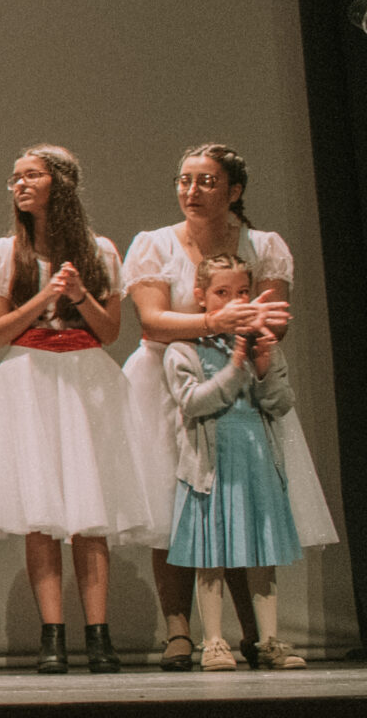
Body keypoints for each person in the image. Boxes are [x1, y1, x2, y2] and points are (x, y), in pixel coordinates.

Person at [119, 144, 333, 669]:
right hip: (169, 377)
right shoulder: (155, 245)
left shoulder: (263, 247)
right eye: (184, 180)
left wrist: (238, 331)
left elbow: (274, 318)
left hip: (240, 378)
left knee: (239, 498)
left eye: (206, 182)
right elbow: (153, 320)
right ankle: (178, 630)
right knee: (175, 508)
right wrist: (217, 322)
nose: (191, 191)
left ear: (234, 191)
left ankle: (254, 633)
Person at [0, 145, 150, 674]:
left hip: (85, 377)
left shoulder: (100, 251)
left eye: (30, 176)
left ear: (58, 184)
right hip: (30, 377)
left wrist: (80, 294)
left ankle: (98, 635)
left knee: (90, 516)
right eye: (14, 177)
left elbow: (110, 331)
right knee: (40, 515)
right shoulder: (6, 253)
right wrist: (46, 292)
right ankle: (52, 637)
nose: (18, 185)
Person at [164, 254, 306, 671]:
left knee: (261, 553)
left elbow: (279, 403)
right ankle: (213, 641)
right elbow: (192, 402)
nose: (234, 300)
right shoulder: (183, 349)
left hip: (256, 463)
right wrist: (236, 365)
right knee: (211, 555)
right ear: (201, 297)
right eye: (222, 293)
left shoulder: (261, 342)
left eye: (242, 292)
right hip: (211, 469)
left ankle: (269, 639)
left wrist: (261, 366)